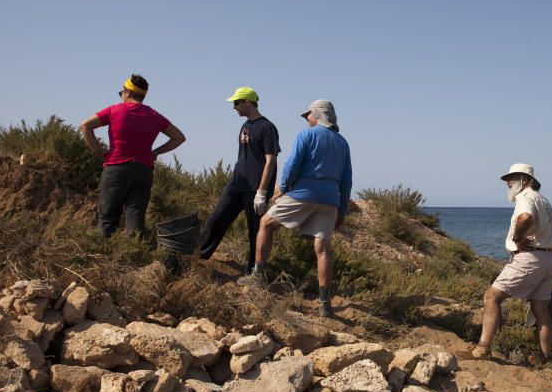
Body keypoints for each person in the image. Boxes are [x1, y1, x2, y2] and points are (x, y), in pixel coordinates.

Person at [239, 100, 352, 318]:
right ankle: (324, 304)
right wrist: (342, 210)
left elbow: (292, 164)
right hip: (329, 200)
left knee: (266, 223)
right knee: (323, 247)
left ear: (317, 115)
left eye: (308, 115)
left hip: (304, 193)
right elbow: (346, 181)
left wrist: (282, 188)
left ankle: (258, 276)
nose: (307, 119)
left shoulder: (306, 135)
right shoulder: (342, 143)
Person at [469, 163, 552, 363]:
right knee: (540, 309)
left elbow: (525, 217)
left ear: (525, 181)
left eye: (513, 178)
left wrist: (518, 238)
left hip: (529, 258)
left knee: (491, 297)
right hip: (547, 259)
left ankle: (482, 349)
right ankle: (545, 359)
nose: (508, 182)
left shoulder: (525, 197)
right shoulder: (544, 200)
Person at [80, 74, 186, 237]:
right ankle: (135, 256)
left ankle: (105, 255)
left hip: (116, 168)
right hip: (143, 170)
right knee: (135, 218)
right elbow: (179, 137)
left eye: (121, 92)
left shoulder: (114, 110)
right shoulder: (155, 116)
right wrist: (156, 152)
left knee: (108, 217)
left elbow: (85, 126)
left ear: (127, 92)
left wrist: (97, 151)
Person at [197, 87, 281, 272]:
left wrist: (261, 192)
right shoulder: (245, 126)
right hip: (236, 185)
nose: (234, 107)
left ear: (247, 103)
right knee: (216, 219)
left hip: (255, 188)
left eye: (236, 103)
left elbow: (271, 161)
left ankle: (254, 271)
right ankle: (197, 256)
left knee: (255, 230)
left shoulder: (267, 127)